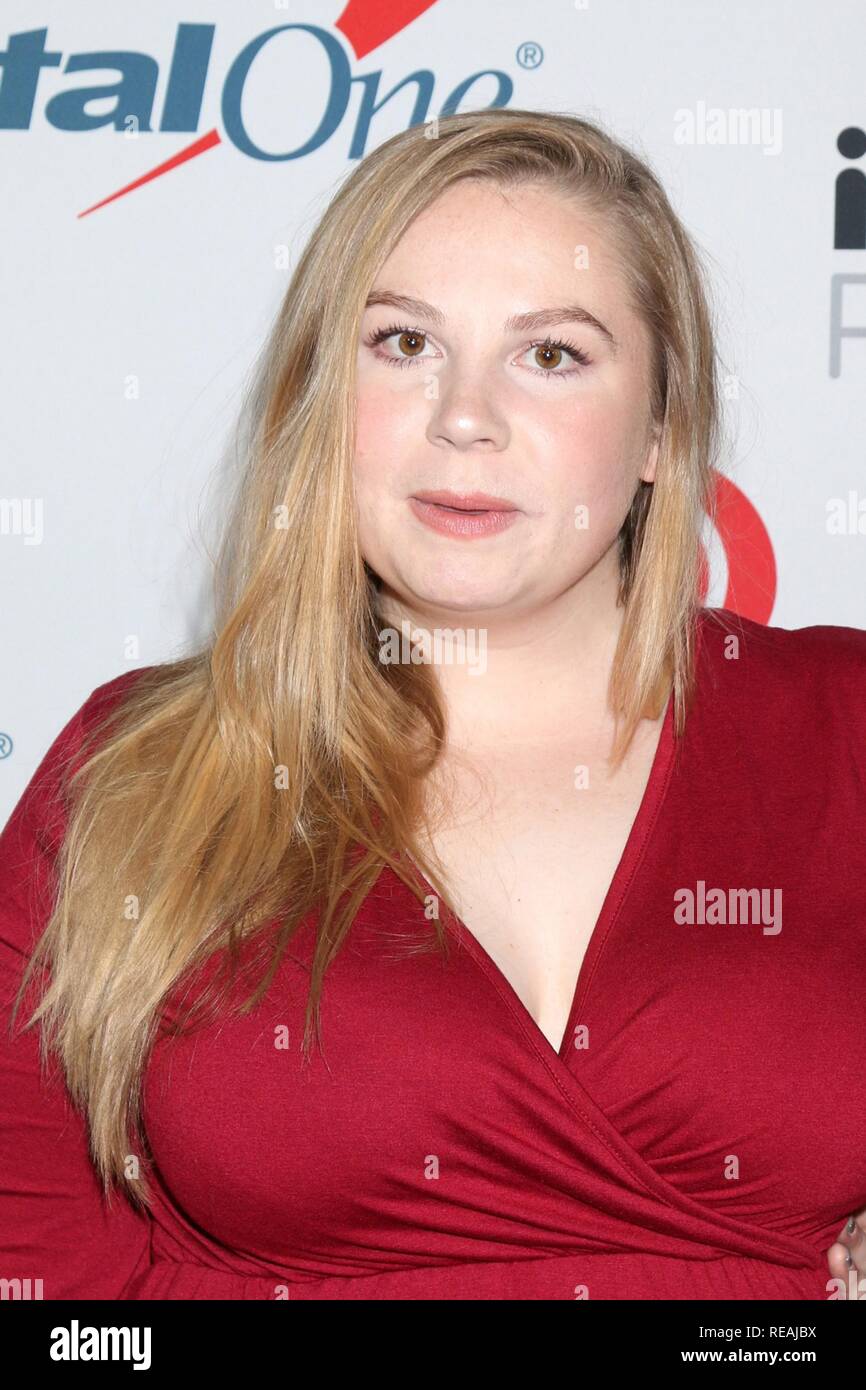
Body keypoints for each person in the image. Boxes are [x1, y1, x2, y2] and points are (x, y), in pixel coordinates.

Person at [1, 108, 864, 1301]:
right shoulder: (138, 772)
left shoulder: (845, 728)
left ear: (661, 428)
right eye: (402, 343)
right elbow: (43, 1286)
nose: (464, 416)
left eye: (550, 354)